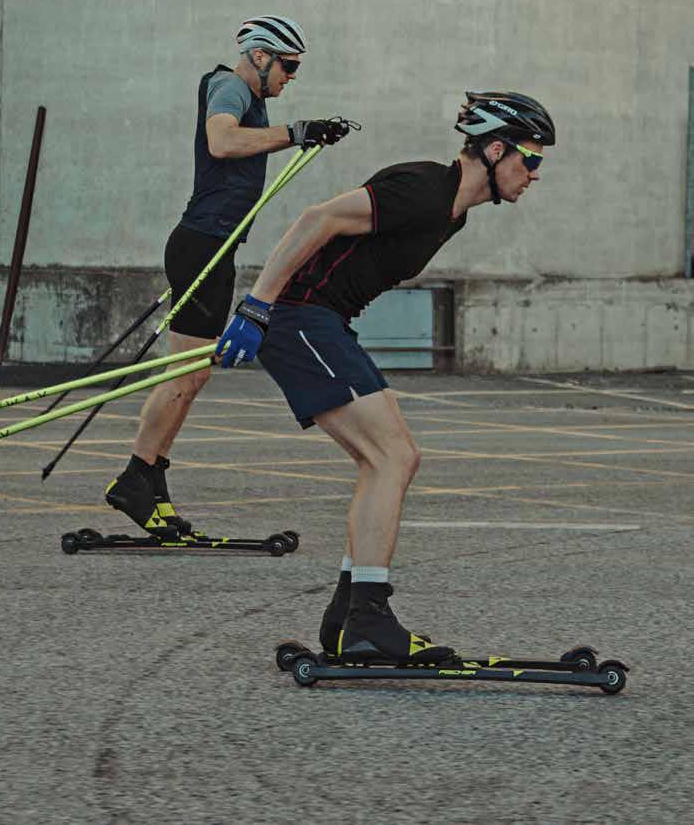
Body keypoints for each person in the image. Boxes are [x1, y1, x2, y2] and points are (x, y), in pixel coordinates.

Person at [217, 91, 556, 663]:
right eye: (532, 157)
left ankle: (347, 618)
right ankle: (368, 618)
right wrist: (257, 307)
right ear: (496, 150)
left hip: (323, 321)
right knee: (392, 457)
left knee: (390, 460)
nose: (536, 173)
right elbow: (317, 218)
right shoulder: (424, 189)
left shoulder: (453, 213)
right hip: (299, 316)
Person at [105, 15, 353, 535]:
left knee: (192, 375)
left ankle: (148, 481)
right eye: (288, 66)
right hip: (200, 245)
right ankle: (136, 478)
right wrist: (295, 133)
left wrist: (303, 134)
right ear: (260, 56)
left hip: (213, 248)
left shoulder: (250, 98)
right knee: (185, 374)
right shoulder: (229, 86)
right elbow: (221, 141)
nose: (291, 77)